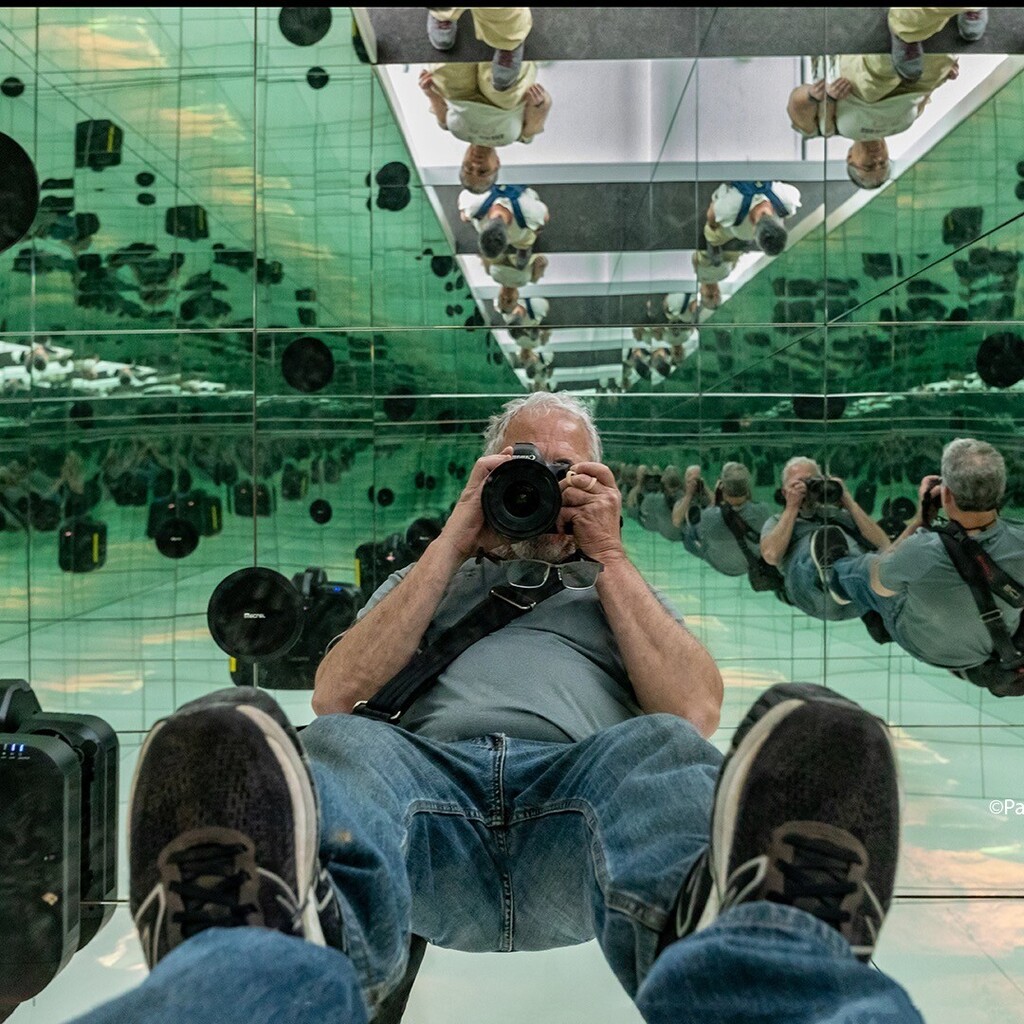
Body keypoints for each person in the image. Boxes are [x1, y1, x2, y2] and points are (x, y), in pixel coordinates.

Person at [68, 395, 922, 1024]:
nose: (540, 490)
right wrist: (452, 543)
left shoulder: (612, 585)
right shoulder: (436, 576)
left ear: (598, 483)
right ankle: (288, 940)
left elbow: (696, 707)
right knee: (347, 740)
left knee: (655, 745)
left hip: (578, 819)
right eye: (523, 467)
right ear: (487, 473)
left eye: (565, 473)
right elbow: (336, 690)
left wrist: (610, 556)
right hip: (422, 818)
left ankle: (731, 938)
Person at [819, 437, 1024, 675]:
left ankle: (836, 576)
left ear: (945, 495)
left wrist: (920, 520)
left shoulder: (921, 548)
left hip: (924, 646)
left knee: (867, 567)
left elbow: (879, 586)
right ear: (1000, 490)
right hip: (991, 647)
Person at [786, 8, 986, 190]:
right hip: (915, 85)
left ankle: (905, 33)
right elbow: (924, 97)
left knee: (879, 73)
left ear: (850, 158)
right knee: (938, 61)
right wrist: (943, 78)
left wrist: (815, 95)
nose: (877, 158)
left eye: (869, 164)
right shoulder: (902, 125)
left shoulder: (829, 128)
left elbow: (796, 107)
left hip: (862, 87)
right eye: (883, 162)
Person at [419, 10, 552, 192]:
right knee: (503, 87)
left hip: (458, 97)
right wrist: (539, 103)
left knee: (447, 71)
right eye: (482, 171)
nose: (475, 164)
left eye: (468, 167)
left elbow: (437, 105)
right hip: (503, 105)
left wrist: (428, 90)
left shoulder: (452, 129)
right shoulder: (518, 138)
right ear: (496, 164)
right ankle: (508, 42)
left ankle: (443, 14)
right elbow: (538, 114)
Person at [760, 456, 891, 621]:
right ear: (785, 491)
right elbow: (771, 556)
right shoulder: (777, 522)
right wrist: (792, 507)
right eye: (799, 483)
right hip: (811, 594)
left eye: (812, 482)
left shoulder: (837, 515)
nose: (808, 488)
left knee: (866, 555)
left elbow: (883, 544)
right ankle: (836, 577)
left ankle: (849, 577)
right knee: (818, 547)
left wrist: (848, 501)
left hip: (856, 601)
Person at [673, 462, 775, 579]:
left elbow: (683, 524)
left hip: (718, 563)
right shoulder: (763, 510)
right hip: (748, 564)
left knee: (690, 532)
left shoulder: (708, 516)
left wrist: (715, 495)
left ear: (722, 488)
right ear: (747, 488)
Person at [459, 183, 548, 265]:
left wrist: (536, 227)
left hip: (523, 195)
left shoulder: (529, 212)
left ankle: (523, 248)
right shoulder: (473, 204)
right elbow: (463, 204)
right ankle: (523, 248)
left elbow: (546, 216)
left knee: (526, 239)